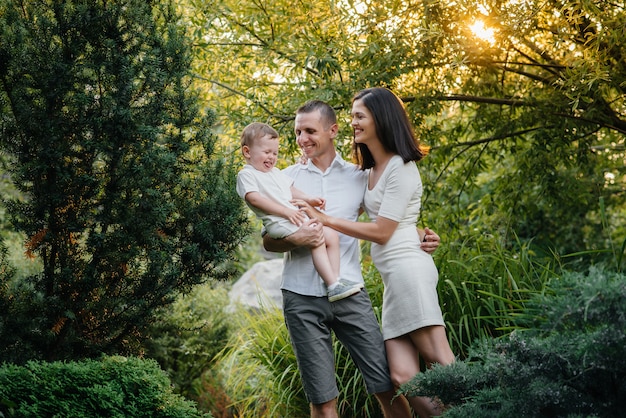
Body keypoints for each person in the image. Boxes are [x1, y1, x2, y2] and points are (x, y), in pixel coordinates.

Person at [262, 100, 442, 418]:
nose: (302, 139)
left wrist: (421, 237)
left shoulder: (359, 176)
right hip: (300, 297)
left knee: (387, 386)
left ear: (332, 131)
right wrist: (295, 239)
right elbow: (267, 241)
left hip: (350, 294)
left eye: (310, 131)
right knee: (322, 400)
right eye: (297, 132)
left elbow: (385, 219)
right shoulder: (281, 180)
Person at [236, 122, 362, 302]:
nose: (271, 157)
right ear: (247, 152)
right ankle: (333, 284)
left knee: (331, 236)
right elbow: (254, 199)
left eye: (275, 153)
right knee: (317, 238)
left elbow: (291, 189)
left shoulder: (275, 173)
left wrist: (309, 199)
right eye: (266, 152)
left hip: (291, 218)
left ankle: (335, 280)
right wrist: (286, 211)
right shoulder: (247, 175)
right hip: (279, 223)